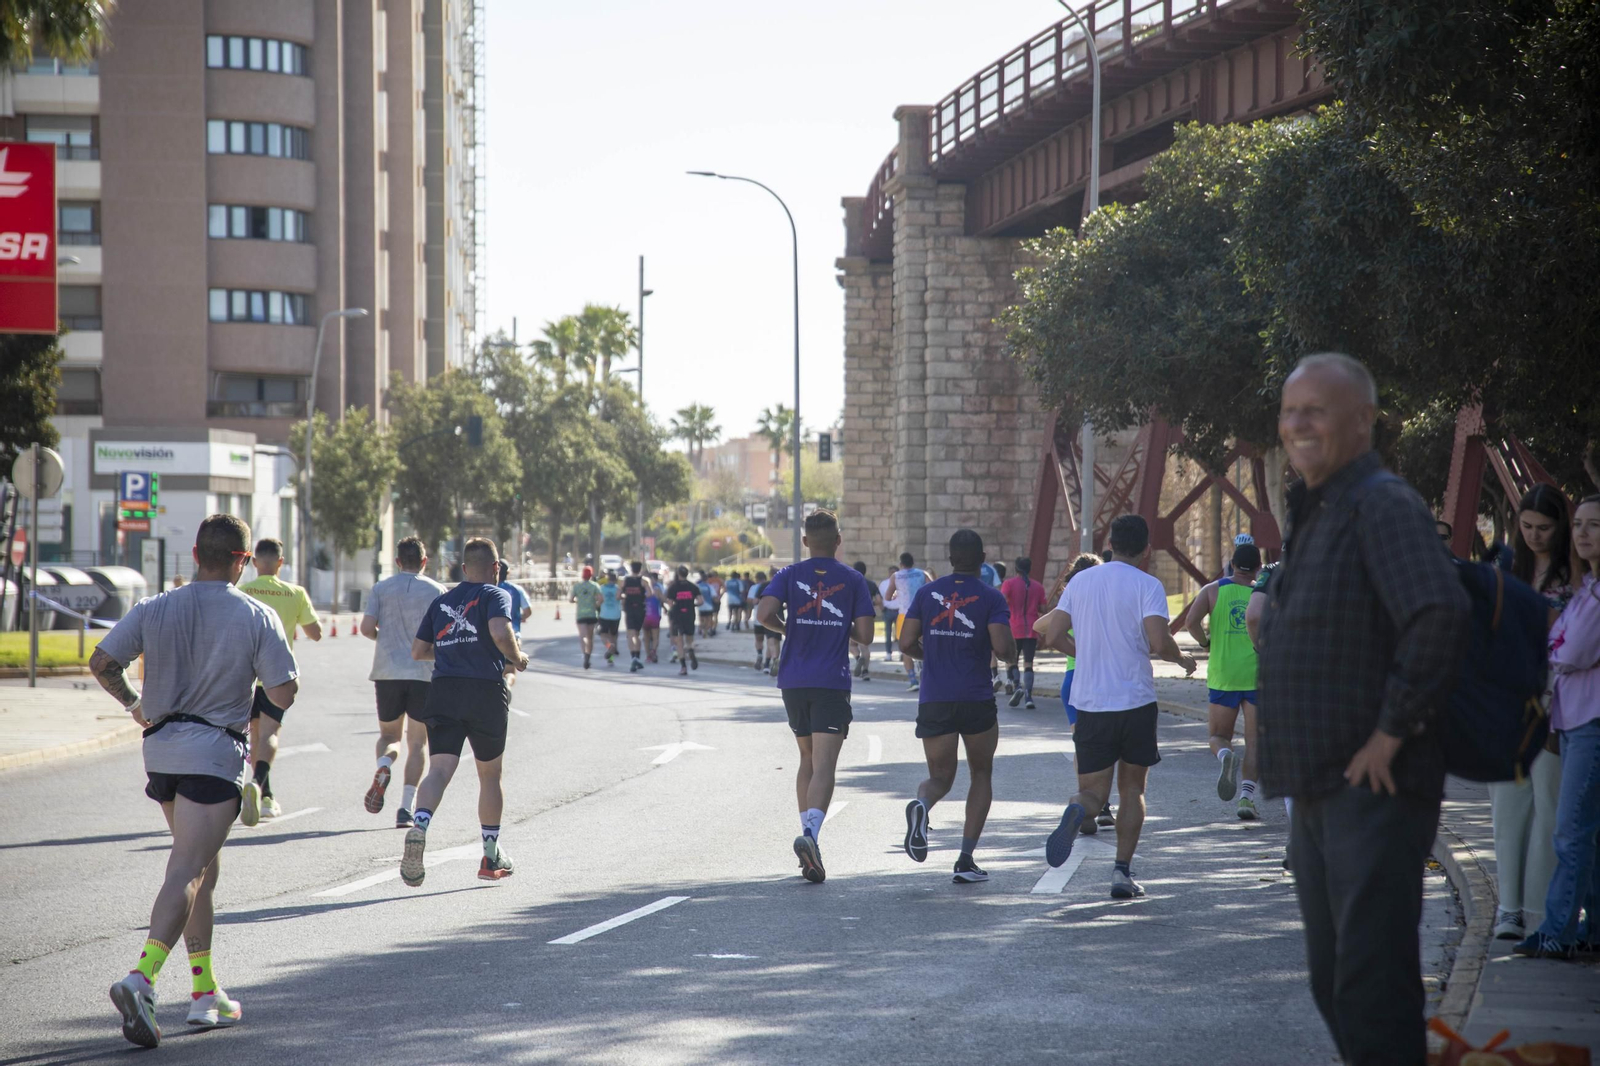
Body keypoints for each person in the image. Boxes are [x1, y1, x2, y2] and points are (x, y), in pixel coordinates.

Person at [1256, 353, 1470, 1062]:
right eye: (1291, 411)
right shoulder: (1320, 507)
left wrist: (1390, 733)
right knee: (1333, 984)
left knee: (1372, 986)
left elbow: (1438, 613)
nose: (1299, 423)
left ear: (1364, 420)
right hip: (1317, 788)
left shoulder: (1381, 503)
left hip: (1372, 790)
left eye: (1317, 409)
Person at [93, 515, 298, 1047]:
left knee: (201, 866)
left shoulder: (156, 605)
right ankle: (141, 978)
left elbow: (101, 661)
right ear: (241, 560)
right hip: (212, 751)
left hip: (160, 751)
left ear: (195, 553)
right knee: (188, 867)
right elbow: (285, 690)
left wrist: (135, 705)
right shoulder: (255, 612)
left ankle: (206, 993)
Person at [1037, 515, 1196, 899]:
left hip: (1090, 703)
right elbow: (1159, 641)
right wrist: (1182, 661)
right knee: (1132, 791)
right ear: (1146, 550)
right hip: (1135, 702)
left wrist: (1085, 655)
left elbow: (1052, 634)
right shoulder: (1148, 584)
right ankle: (1122, 873)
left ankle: (1078, 809)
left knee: (1093, 793)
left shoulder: (1081, 582)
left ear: (1109, 543)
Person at [755, 511, 876, 883]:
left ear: (805, 542)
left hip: (793, 681)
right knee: (825, 764)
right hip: (830, 680)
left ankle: (808, 839)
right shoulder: (853, 579)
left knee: (806, 757)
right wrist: (840, 627)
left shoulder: (788, 575)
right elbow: (867, 635)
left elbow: (762, 615)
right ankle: (811, 836)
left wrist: (790, 627)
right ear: (838, 540)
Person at [403, 538, 529, 887]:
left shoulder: (442, 601)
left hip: (443, 689)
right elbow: (500, 632)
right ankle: (491, 855)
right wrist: (517, 659)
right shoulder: (495, 594)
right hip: (483, 691)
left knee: (439, 768)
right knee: (489, 775)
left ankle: (420, 825)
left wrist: (450, 654)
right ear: (496, 568)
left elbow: (418, 651)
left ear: (462, 569)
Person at [899, 529, 1016, 882]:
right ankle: (965, 860)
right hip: (976, 698)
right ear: (983, 561)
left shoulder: (926, 592)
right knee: (981, 773)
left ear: (950, 559)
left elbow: (906, 642)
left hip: (935, 698)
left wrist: (930, 655)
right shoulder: (991, 597)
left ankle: (922, 805)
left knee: (939, 778)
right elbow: (1005, 650)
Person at [1515, 495, 1600, 960]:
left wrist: (1560, 646)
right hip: (1574, 717)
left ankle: (1557, 931)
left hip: (1591, 719)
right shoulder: (1587, 589)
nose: (1584, 533)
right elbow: (1560, 643)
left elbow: (1567, 652)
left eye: (1595, 525)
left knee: (1570, 830)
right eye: (1581, 524)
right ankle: (1590, 928)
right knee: (1586, 832)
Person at [1491, 485, 1574, 939]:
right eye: (1526, 527)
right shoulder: (1507, 568)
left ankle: (1538, 911)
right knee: (1508, 805)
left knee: (1550, 803)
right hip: (1510, 696)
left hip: (1561, 696)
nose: (1534, 536)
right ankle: (1508, 907)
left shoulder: (1576, 574)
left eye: (1544, 528)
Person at [360, 536, 446, 828]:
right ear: (424, 561)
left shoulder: (381, 589)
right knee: (417, 742)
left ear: (397, 562)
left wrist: (382, 638)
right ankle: (406, 809)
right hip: (423, 672)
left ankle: (384, 766)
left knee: (389, 737)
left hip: (386, 672)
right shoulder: (436, 591)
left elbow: (366, 628)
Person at [237, 538, 321, 819]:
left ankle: (265, 794)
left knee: (255, 734)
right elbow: (316, 633)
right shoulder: (294, 593)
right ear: (281, 563)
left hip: (246, 675)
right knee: (270, 734)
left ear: (255, 562)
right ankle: (259, 785)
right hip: (277, 674)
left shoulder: (243, 591)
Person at [1184, 542, 1264, 820]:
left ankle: (1225, 756)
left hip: (1223, 674)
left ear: (1231, 564)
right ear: (1258, 567)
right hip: (1256, 676)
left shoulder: (1212, 590)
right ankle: (1246, 798)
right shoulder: (1261, 593)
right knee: (1255, 743)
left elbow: (1190, 622)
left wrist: (1206, 642)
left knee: (1218, 737)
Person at [1001, 556, 1048, 709]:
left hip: (1014, 628)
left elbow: (1002, 601)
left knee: (1011, 661)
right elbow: (1043, 609)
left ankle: (1017, 687)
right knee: (1029, 663)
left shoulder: (1009, 584)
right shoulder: (1038, 586)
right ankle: (1029, 696)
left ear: (1016, 569)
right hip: (1032, 629)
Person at [887, 553, 931, 690]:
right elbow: (934, 589)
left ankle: (913, 680)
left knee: (905, 647)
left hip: (905, 615)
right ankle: (926, 674)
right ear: (913, 562)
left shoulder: (896, 576)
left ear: (901, 564)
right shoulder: (922, 573)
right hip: (923, 614)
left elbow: (888, 597)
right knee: (925, 644)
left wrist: (897, 594)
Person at [665, 565, 702, 676]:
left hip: (677, 615)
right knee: (689, 639)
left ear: (678, 574)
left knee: (679, 641)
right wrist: (692, 604)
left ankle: (683, 667)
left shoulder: (673, 587)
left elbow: (670, 603)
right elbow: (701, 601)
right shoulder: (693, 587)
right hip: (690, 614)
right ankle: (690, 649)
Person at [851, 561, 883, 681]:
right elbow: (879, 600)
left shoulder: (851, 583)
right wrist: (871, 604)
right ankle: (865, 671)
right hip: (867, 616)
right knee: (865, 646)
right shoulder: (871, 584)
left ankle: (858, 657)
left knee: (852, 645)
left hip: (853, 616)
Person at [621, 560, 653, 672]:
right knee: (637, 634)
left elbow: (618, 595)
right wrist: (641, 595)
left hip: (629, 609)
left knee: (631, 634)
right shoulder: (644, 581)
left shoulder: (625, 580)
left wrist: (626, 595)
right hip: (640, 608)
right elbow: (650, 594)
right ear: (640, 569)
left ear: (631, 569)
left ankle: (633, 657)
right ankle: (637, 657)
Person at [571, 566, 600, 669]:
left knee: (583, 636)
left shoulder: (577, 586)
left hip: (581, 614)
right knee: (590, 637)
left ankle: (584, 654)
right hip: (592, 614)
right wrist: (595, 604)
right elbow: (601, 599)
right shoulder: (595, 586)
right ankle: (588, 655)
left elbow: (571, 599)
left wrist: (578, 601)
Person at [497, 560, 532, 635]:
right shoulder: (517, 589)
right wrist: (517, 618)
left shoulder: (488, 589)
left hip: (492, 635)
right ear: (508, 572)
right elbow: (528, 612)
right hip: (513, 633)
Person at [597, 569, 623, 666]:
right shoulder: (618, 588)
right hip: (616, 615)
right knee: (614, 636)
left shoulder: (602, 588)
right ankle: (611, 657)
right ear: (616, 579)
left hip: (604, 614)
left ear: (607, 579)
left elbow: (599, 600)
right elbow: (619, 597)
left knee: (603, 635)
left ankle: (609, 647)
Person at [643, 580, 663, 663]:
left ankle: (648, 656)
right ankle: (653, 651)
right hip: (655, 617)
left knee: (646, 638)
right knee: (655, 637)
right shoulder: (657, 590)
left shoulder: (642, 592)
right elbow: (664, 599)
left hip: (644, 617)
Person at [696, 571, 717, 638]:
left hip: (701, 606)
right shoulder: (710, 586)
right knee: (708, 620)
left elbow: (695, 596)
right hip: (709, 606)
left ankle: (700, 628)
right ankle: (705, 632)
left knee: (702, 619)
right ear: (707, 579)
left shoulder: (698, 586)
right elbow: (714, 596)